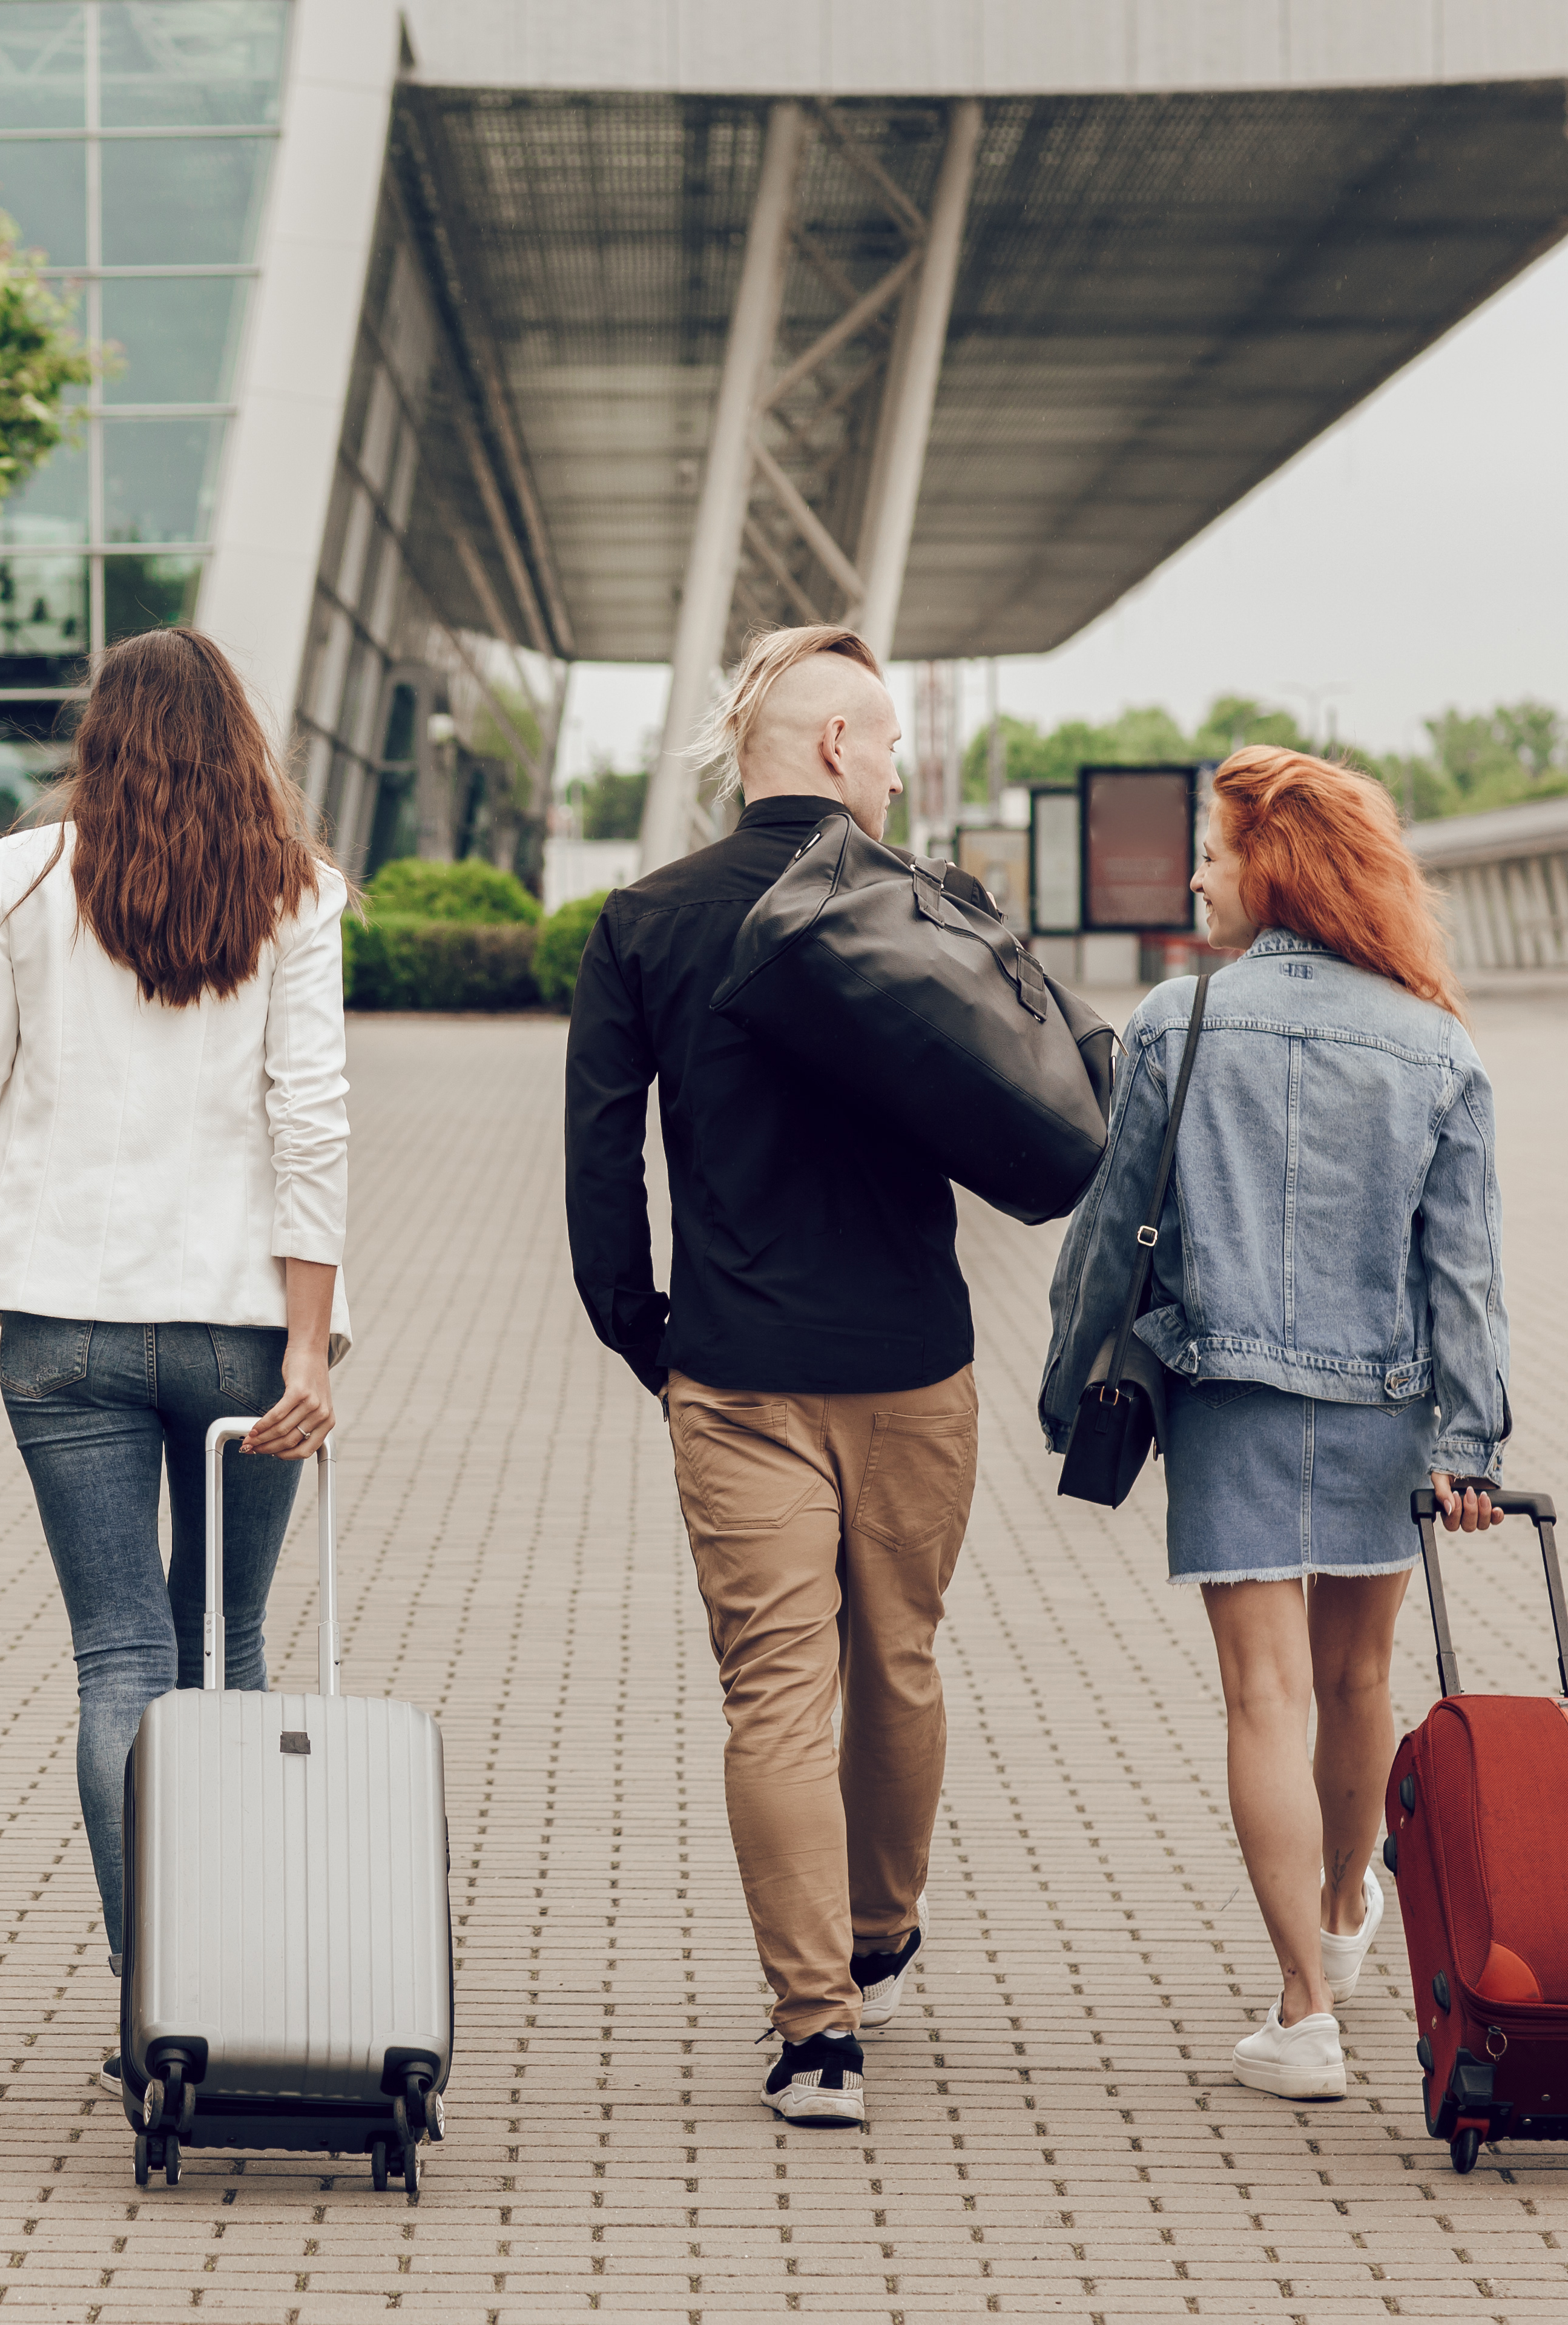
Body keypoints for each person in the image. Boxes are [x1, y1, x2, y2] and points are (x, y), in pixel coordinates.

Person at [1038, 747, 1510, 2104]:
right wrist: (1470, 1445)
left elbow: (1109, 1237)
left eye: (1212, 846)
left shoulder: (1179, 1025)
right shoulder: (1436, 1043)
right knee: (1359, 1681)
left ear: (1276, 863)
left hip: (1229, 1396)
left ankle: (1303, 2010)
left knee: (1263, 1695)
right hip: (1383, 1402)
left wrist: (1073, 1388)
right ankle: (1352, 1909)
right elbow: (1462, 1272)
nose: (1192, 870)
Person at [564, 623, 976, 2130]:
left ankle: (817, 2037)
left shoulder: (648, 920)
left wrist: (650, 1337)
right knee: (902, 1658)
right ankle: (878, 1925)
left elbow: (599, 1165)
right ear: (828, 751)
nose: (895, 770)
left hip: (735, 1366)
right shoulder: (930, 907)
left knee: (774, 1698)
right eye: (883, 744)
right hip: (916, 1360)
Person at [0, 624, 349, 2000]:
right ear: (243, 740)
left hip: (64, 1326)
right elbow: (313, 1119)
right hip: (241, 1328)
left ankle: (154, 1987)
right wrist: (310, 1345)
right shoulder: (300, 892)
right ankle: (242, 1978)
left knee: (120, 1660)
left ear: (96, 740)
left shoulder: (17, 876)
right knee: (229, 1649)